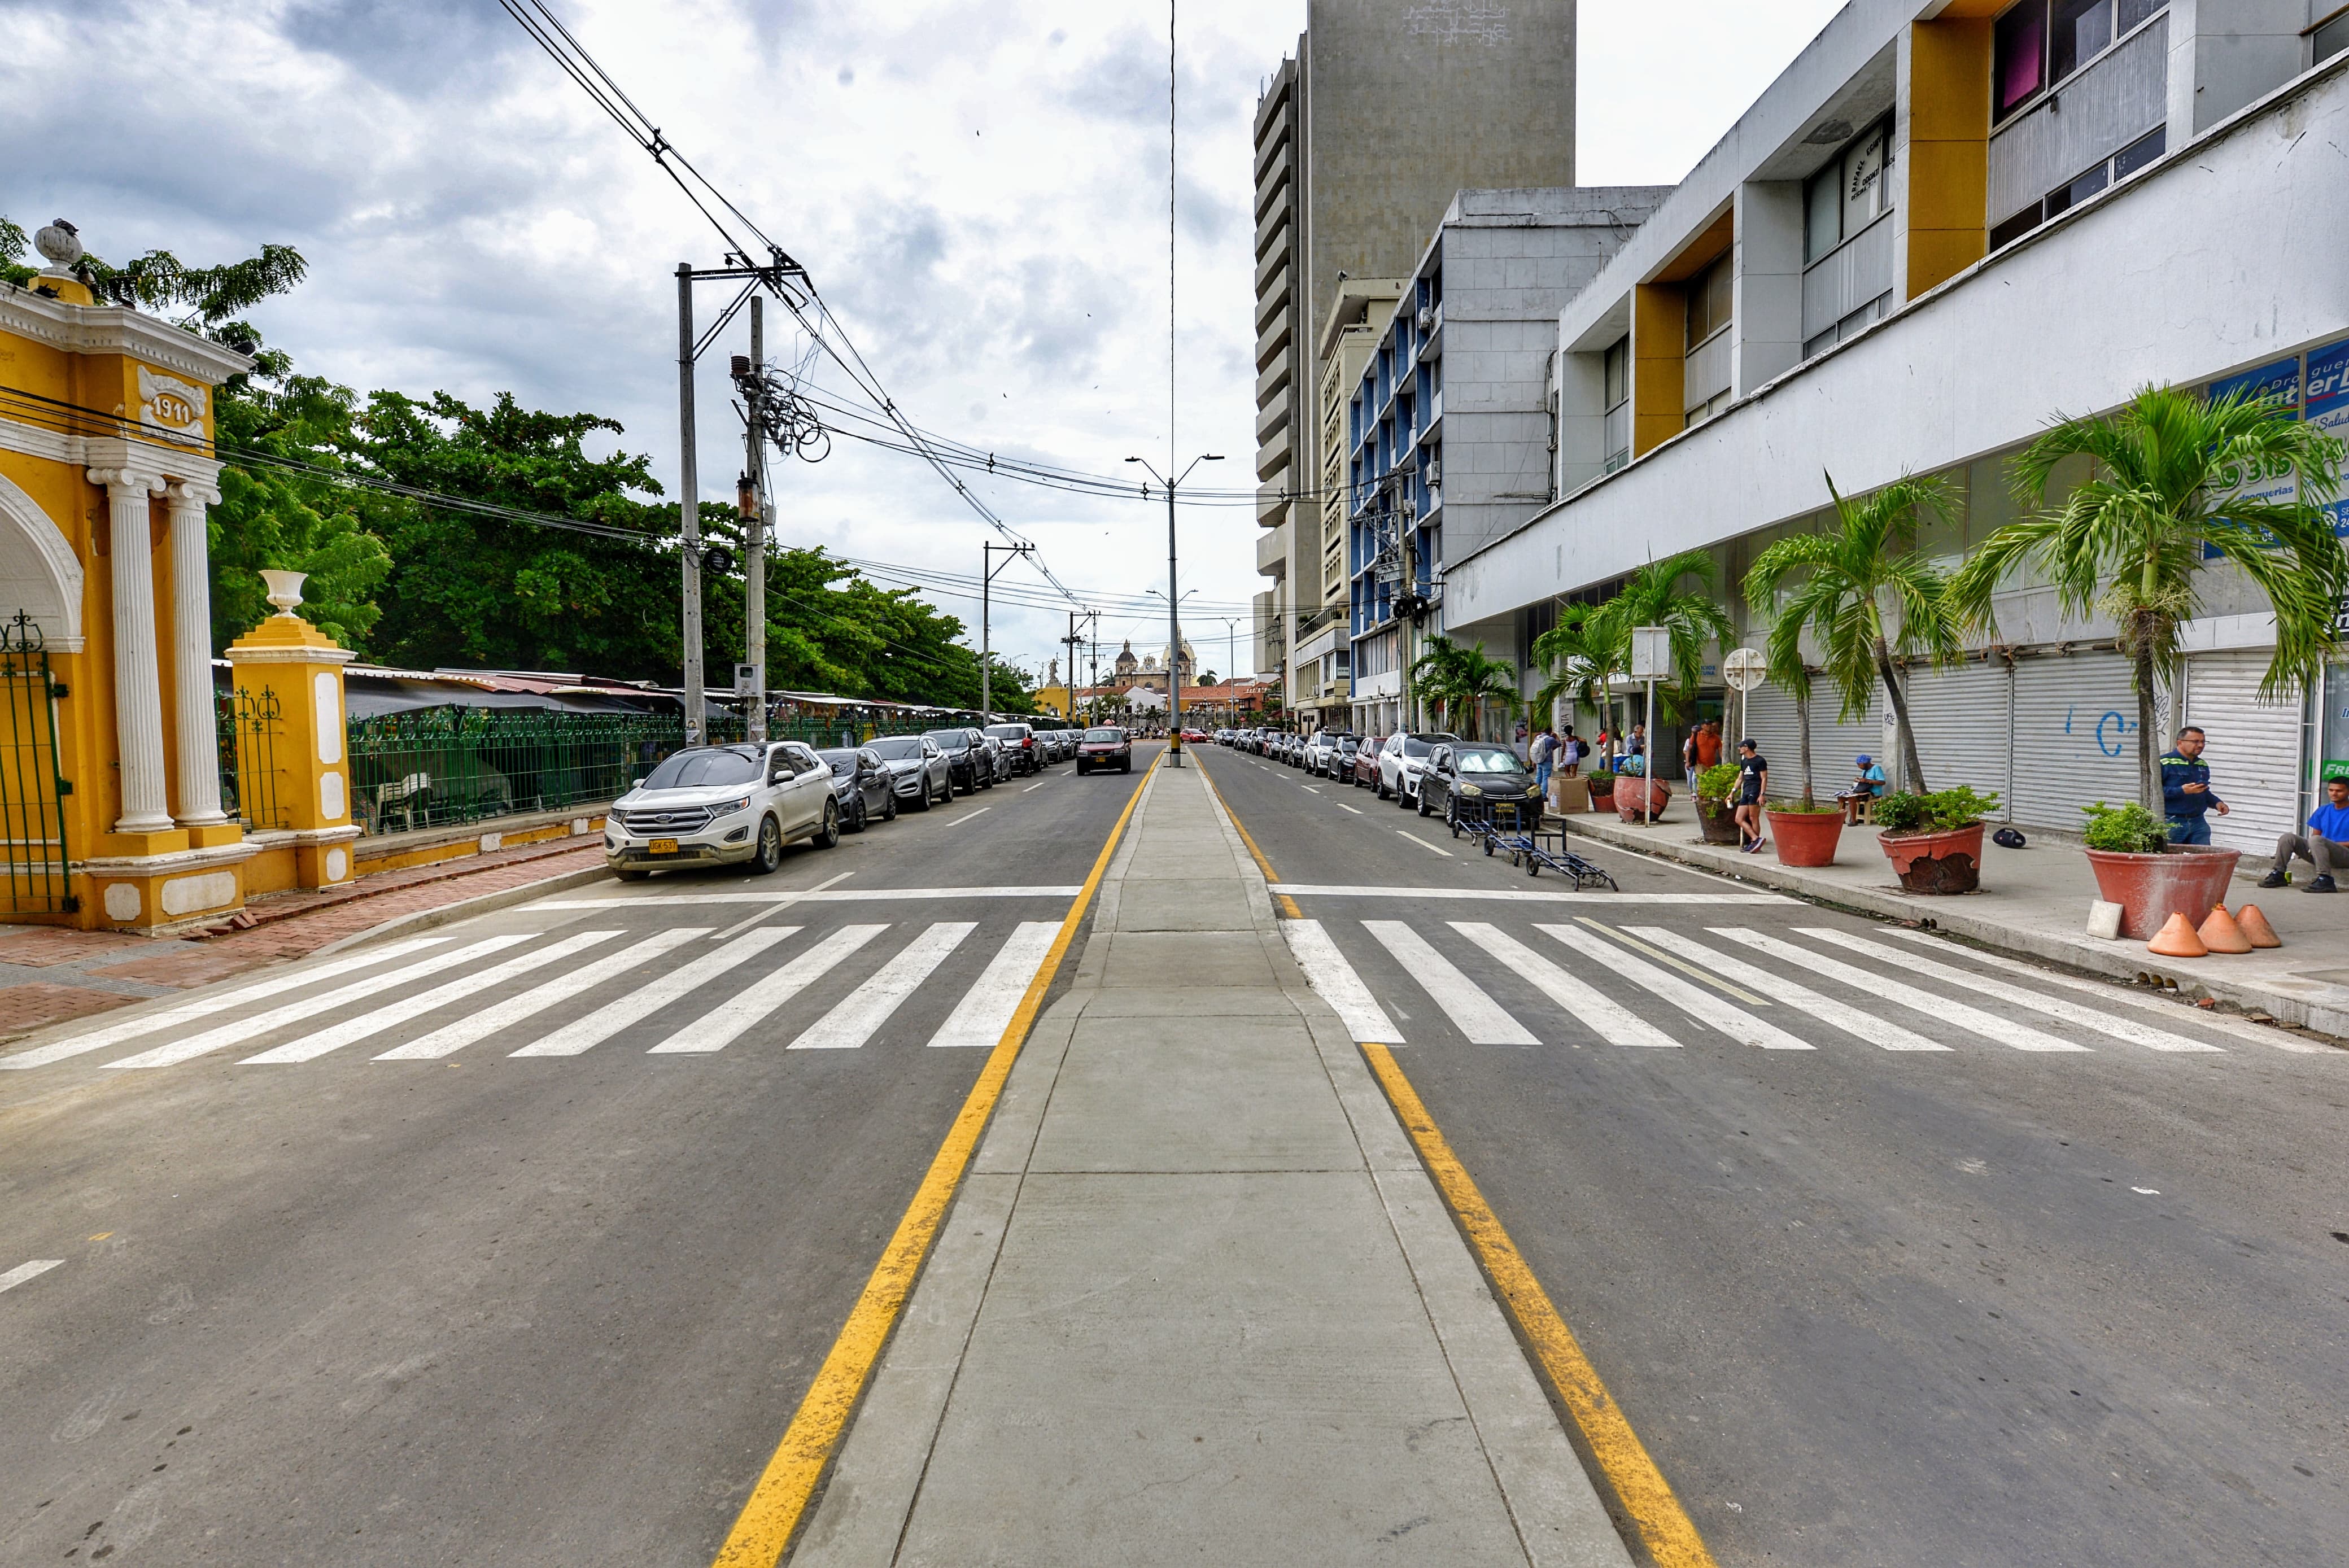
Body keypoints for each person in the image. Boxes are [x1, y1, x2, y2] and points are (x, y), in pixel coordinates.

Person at [2264, 776, 2349, 892]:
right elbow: (2315, 837)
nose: (2334, 793)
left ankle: (2326, 879)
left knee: (2317, 840)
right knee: (2288, 838)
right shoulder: (2323, 810)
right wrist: (2320, 846)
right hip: (2322, 853)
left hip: (2344, 856)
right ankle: (2278, 874)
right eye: (2331, 790)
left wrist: (2328, 845)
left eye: (2339, 791)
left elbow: (2318, 841)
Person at [2160, 727, 2229, 845]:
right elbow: (2153, 793)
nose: (2201, 745)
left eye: (2203, 742)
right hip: (2172, 821)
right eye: (2195, 742)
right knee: (2171, 860)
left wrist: (2217, 803)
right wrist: (2181, 791)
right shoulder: (2165, 762)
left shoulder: (2202, 764)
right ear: (2180, 743)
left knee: (2203, 859)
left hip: (2198, 822)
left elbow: (2203, 791)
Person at [1734, 737, 1769, 852]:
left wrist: (1762, 794)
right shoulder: (1744, 761)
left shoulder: (1760, 761)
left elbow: (1764, 778)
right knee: (1739, 819)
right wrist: (1733, 792)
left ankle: (1755, 843)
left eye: (1741, 746)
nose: (1739, 749)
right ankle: (1756, 839)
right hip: (1746, 791)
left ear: (1747, 748)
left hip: (1755, 791)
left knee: (1754, 818)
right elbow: (1740, 779)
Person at [1837, 753, 1888, 826]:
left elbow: (1883, 782)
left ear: (1865, 763)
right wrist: (1859, 780)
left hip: (1873, 793)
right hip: (1864, 791)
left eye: (1859, 765)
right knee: (1841, 797)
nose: (1859, 767)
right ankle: (1841, 819)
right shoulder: (1865, 770)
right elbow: (1864, 782)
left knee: (1852, 798)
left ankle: (1854, 821)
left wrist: (1868, 781)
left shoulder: (1876, 768)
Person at [1530, 726, 1557, 798]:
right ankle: (1543, 795)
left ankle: (1535, 793)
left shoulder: (1538, 737)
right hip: (1547, 761)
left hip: (1539, 760)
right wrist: (1556, 736)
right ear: (1550, 731)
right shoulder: (1550, 739)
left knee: (1538, 777)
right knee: (1546, 778)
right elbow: (1559, 744)